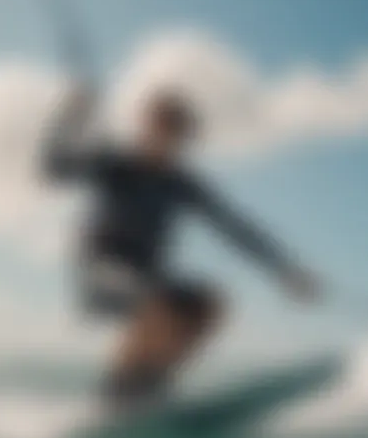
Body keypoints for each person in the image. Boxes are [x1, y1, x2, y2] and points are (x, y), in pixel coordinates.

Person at [42, 81, 321, 413]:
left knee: (211, 305)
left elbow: (235, 228)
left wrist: (284, 269)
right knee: (158, 306)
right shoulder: (115, 165)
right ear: (145, 127)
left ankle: (151, 385)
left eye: (176, 136)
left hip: (148, 277)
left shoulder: (180, 184)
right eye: (160, 130)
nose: (167, 142)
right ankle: (113, 397)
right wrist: (71, 114)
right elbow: (52, 168)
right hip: (102, 272)